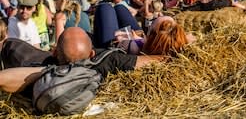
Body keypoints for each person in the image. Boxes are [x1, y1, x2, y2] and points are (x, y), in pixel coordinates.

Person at [0, 27, 165, 95]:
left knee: (10, 45)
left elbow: (3, 79)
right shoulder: (107, 61)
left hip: (28, 58)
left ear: (55, 52)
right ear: (92, 53)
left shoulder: (43, 73)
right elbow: (154, 61)